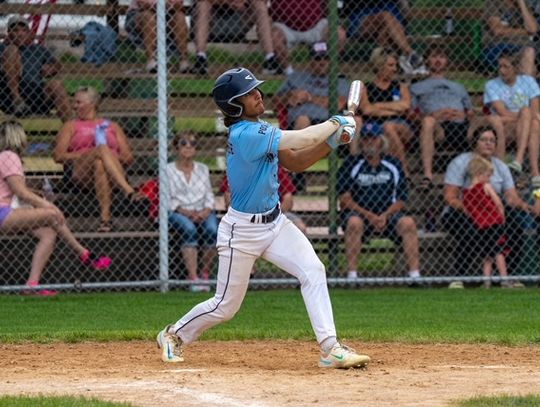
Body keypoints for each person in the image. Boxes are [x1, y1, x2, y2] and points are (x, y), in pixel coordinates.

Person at [156, 67, 371, 369]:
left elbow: (295, 161)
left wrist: (333, 141)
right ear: (234, 104)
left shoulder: (261, 129)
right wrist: (335, 123)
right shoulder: (244, 134)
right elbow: (300, 137)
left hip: (275, 223)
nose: (258, 95)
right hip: (242, 232)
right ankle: (173, 334)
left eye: (257, 89)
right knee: (225, 306)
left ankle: (330, 348)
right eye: (249, 93)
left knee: (313, 270)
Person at [0, 121, 111, 296]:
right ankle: (83, 253)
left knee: (48, 233)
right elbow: (21, 193)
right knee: (53, 214)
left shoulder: (6, 157)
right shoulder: (8, 156)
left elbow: (15, 190)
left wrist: (40, 196)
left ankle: (32, 285)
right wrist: (47, 205)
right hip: (3, 213)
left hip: (6, 211)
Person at [443, 126, 530, 288]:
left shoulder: (501, 166)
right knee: (469, 230)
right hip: (463, 210)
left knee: (516, 226)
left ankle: (507, 276)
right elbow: (450, 196)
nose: (488, 144)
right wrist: (468, 210)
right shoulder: (460, 162)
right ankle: (459, 277)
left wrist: (525, 206)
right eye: (484, 140)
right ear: (475, 143)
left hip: (492, 212)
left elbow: (510, 197)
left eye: (492, 141)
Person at [337, 122, 421, 284]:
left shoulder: (393, 164)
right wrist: (369, 216)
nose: (369, 143)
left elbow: (402, 199)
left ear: (381, 141)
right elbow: (345, 200)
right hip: (360, 214)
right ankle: (352, 276)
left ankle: (414, 275)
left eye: (373, 139)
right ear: (361, 142)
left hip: (388, 215)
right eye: (366, 139)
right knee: (354, 223)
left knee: (408, 223)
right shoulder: (351, 164)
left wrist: (384, 215)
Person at [53, 86, 143, 233]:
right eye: (74, 103)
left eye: (78, 102)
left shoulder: (112, 126)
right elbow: (58, 156)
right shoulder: (70, 126)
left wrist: (106, 157)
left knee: (100, 162)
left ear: (92, 103)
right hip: (82, 172)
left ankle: (105, 220)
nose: (74, 106)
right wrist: (90, 153)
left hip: (112, 172)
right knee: (100, 151)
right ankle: (128, 190)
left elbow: (128, 157)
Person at [410, 44, 475, 190]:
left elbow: (471, 112)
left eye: (441, 56)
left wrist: (464, 114)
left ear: (447, 61)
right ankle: (428, 175)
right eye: (433, 56)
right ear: (427, 60)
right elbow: (411, 114)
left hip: (461, 124)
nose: (438, 60)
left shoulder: (458, 86)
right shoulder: (416, 87)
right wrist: (432, 116)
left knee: (491, 121)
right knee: (427, 122)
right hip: (437, 128)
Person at [167, 132, 218, 292]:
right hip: (178, 211)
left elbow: (209, 194)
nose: (188, 147)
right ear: (176, 148)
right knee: (189, 229)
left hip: (202, 210)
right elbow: (168, 198)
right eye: (184, 143)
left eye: (193, 144)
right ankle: (193, 277)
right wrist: (186, 212)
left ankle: (205, 275)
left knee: (212, 230)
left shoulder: (203, 169)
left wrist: (206, 210)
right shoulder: (168, 170)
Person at [483, 50, 540, 188]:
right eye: (500, 66)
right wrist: (523, 117)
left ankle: (524, 166)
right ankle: (533, 171)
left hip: (526, 125)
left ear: (515, 68)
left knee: (533, 122)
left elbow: (535, 108)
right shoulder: (492, 84)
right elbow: (502, 112)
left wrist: (525, 117)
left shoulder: (528, 81)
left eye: (506, 66)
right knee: (527, 114)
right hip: (506, 127)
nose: (502, 71)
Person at [0, 16, 72, 122]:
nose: (20, 34)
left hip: (35, 94)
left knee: (56, 85)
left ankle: (72, 129)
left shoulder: (38, 49)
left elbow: (56, 64)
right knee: (12, 50)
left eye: (24, 30)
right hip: (8, 96)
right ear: (8, 33)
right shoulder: (3, 48)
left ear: (29, 33)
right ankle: (17, 100)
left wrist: (52, 67)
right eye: (15, 30)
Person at [357, 47, 413, 178]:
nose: (395, 69)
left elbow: (405, 106)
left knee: (389, 126)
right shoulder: (366, 88)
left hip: (402, 126)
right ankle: (401, 172)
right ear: (379, 65)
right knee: (387, 128)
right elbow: (367, 109)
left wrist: (378, 106)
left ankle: (404, 172)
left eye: (395, 65)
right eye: (390, 65)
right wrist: (394, 109)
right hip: (375, 129)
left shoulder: (400, 87)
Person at [190, 0, 276, 75]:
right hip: (212, 21)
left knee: (260, 5)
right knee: (203, 4)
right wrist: (227, 2)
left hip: (240, 17)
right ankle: (201, 58)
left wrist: (244, 3)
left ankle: (270, 59)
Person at [462, 155, 510, 289]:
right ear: (479, 174)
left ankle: (487, 281)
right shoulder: (486, 186)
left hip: (481, 226)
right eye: (488, 175)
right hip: (494, 223)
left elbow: (467, 211)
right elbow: (498, 202)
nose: (489, 179)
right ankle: (504, 279)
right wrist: (502, 216)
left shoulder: (466, 192)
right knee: (499, 252)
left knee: (487, 254)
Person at [343, 0, 426, 75]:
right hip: (362, 20)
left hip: (390, 23)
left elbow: (405, 10)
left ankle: (392, 70)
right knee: (385, 16)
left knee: (385, 30)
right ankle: (411, 55)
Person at [220, 165, 307, 234]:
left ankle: (289, 255)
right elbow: (228, 196)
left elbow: (288, 197)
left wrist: (276, 216)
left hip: (276, 215)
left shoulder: (274, 168)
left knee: (300, 227)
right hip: (244, 217)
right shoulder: (237, 169)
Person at [269, 0, 347, 75]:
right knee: (273, 37)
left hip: (316, 24)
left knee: (339, 35)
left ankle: (330, 70)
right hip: (285, 26)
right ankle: (289, 71)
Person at [125, 0, 191, 73]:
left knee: (179, 17)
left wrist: (170, 5)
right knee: (148, 16)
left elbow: (177, 3)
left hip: (168, 12)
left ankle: (184, 61)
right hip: (140, 12)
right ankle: (152, 61)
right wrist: (159, 5)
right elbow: (143, 3)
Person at [483, 0, 537, 75]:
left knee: (530, 58)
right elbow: (498, 30)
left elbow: (533, 29)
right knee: (529, 56)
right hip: (499, 47)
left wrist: (522, 5)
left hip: (523, 47)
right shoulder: (493, 2)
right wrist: (525, 31)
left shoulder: (523, 4)